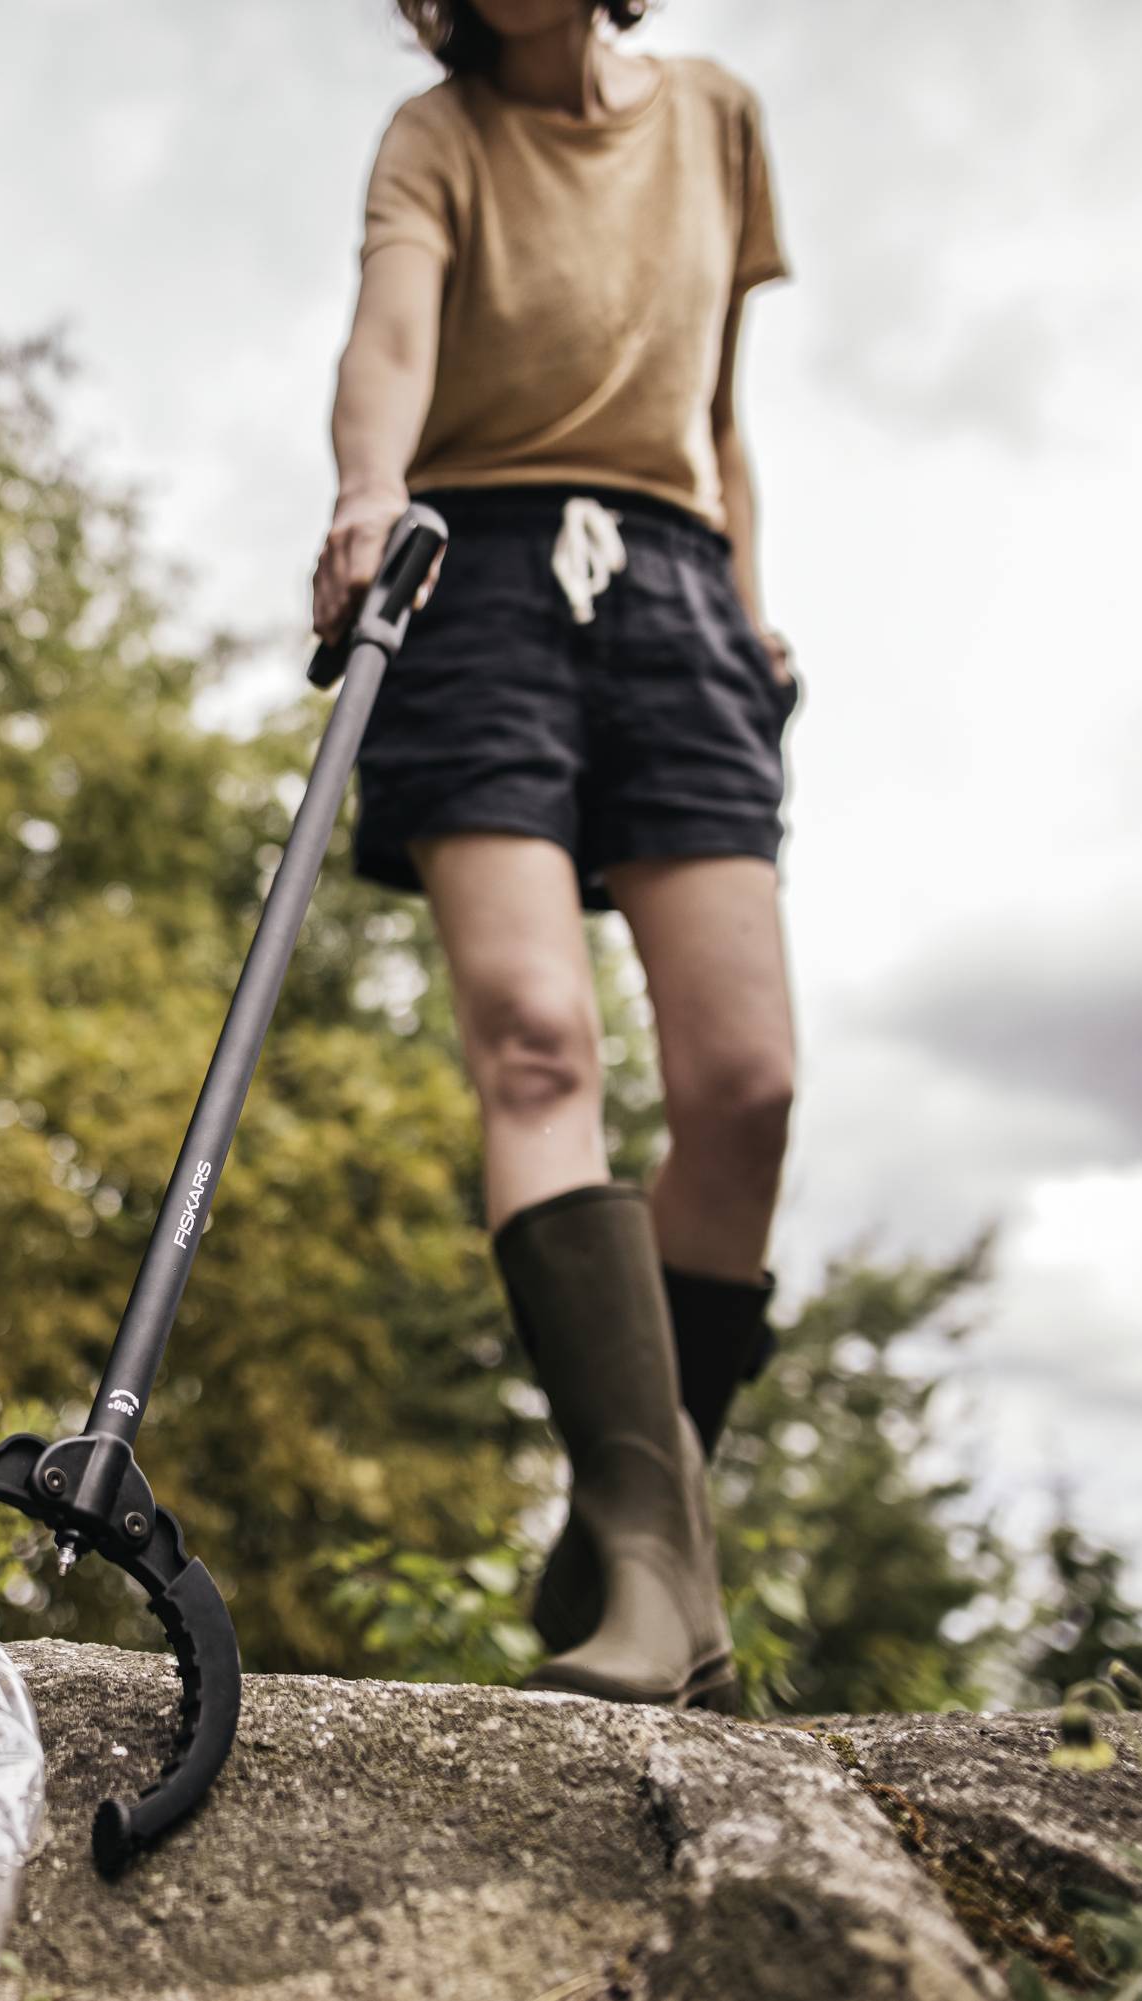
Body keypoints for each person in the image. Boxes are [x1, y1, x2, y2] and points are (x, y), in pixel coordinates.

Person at [313, 0, 796, 1710]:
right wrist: (369, 491)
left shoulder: (718, 121)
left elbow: (718, 409)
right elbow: (388, 344)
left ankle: (626, 1510)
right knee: (539, 1042)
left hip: (675, 584)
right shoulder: (436, 141)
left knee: (745, 1084)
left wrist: (750, 613)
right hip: (472, 573)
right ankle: (659, 1569)